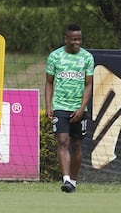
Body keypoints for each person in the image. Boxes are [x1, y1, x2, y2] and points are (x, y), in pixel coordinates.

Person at [45, 24, 94, 193]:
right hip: (60, 106)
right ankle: (65, 179)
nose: (77, 42)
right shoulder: (54, 57)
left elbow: (88, 85)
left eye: (79, 39)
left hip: (79, 108)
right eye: (74, 39)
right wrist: (48, 105)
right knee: (62, 141)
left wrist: (82, 108)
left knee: (77, 145)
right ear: (66, 39)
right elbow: (49, 82)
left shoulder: (87, 57)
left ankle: (73, 181)